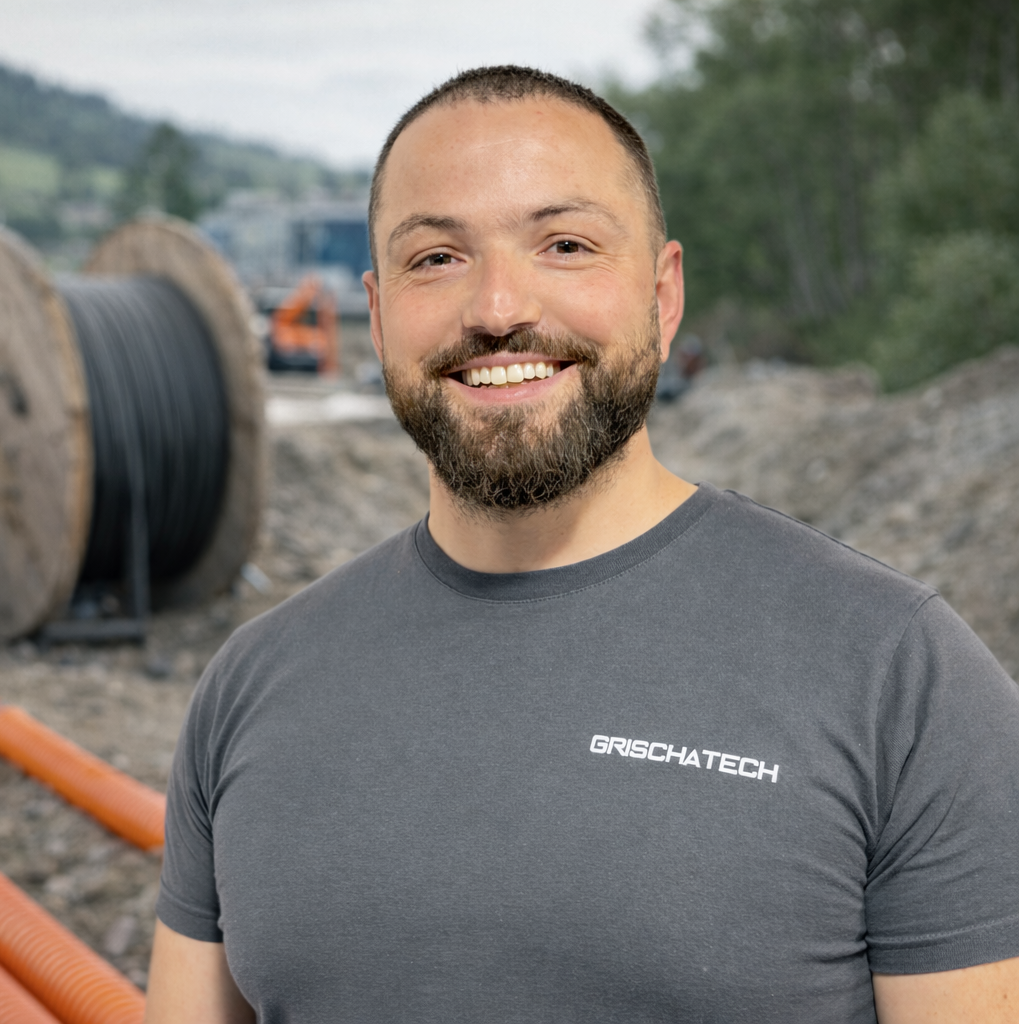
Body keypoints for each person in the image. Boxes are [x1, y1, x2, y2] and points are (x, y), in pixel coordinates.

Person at [143, 66, 1019, 1023]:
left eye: (565, 245)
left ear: (663, 295)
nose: (497, 308)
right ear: (380, 313)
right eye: (436, 257)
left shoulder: (901, 679)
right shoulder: (249, 688)